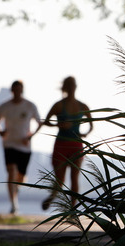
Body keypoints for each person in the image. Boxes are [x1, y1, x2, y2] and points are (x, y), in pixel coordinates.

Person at [41, 76, 93, 210]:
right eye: (68, 85)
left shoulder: (83, 106)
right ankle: (52, 197)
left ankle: (72, 208)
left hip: (76, 144)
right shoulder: (59, 105)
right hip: (61, 144)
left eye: (72, 85)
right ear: (64, 87)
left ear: (75, 87)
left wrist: (85, 133)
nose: (70, 88)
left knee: (74, 177)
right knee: (60, 179)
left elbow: (91, 124)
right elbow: (46, 121)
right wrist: (58, 125)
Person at [0, 80, 41, 214]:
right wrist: (0, 131)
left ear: (22, 90)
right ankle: (14, 205)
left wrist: (30, 136)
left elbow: (39, 122)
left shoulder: (30, 106)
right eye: (15, 90)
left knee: (20, 176)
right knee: (11, 171)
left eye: (19, 90)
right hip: (9, 144)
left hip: (24, 146)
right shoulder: (4, 106)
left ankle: (16, 190)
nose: (17, 93)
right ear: (12, 91)